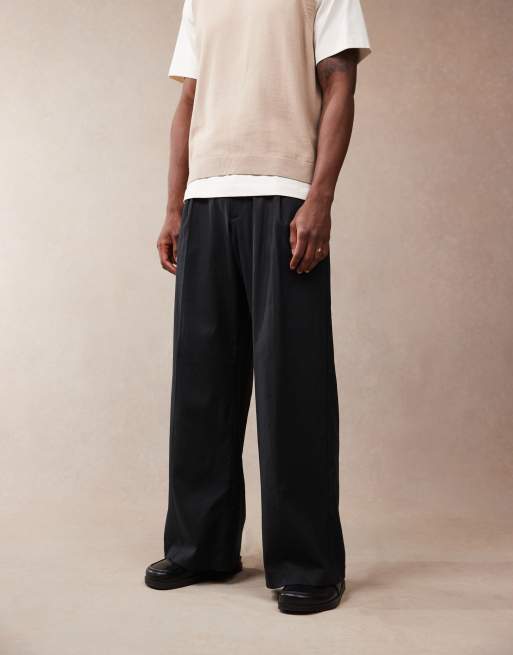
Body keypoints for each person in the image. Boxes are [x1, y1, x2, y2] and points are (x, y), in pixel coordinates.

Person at [145, 0, 371, 615]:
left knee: (292, 385)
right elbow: (189, 99)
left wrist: (320, 198)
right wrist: (174, 205)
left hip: (284, 193)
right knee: (201, 386)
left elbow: (341, 81)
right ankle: (202, 548)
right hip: (206, 198)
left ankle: (308, 564)